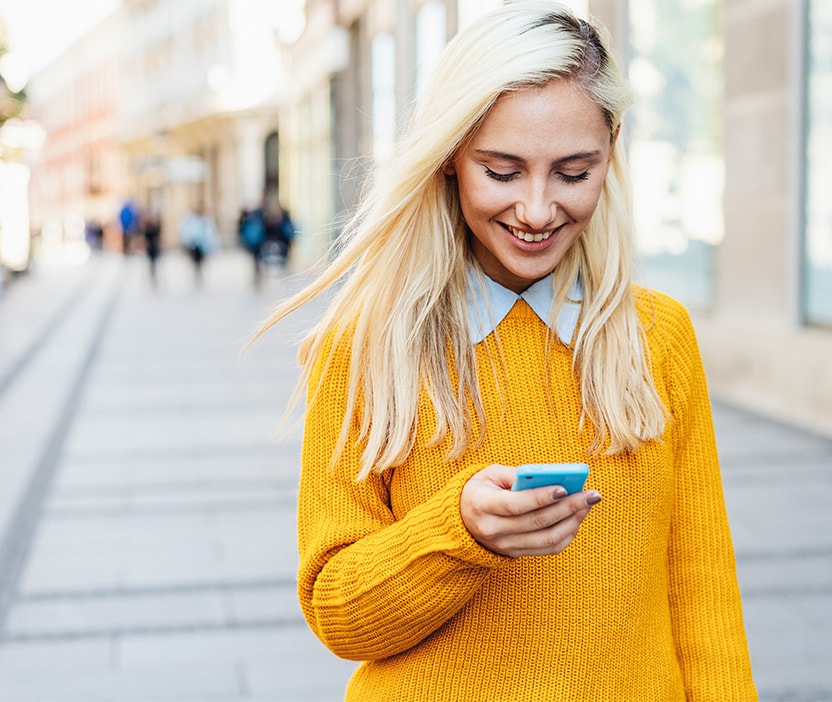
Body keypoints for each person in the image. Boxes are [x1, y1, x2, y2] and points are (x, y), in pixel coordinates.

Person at [251, 3, 757, 700]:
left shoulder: (658, 335)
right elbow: (340, 615)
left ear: (611, 151)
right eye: (503, 170)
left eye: (574, 173)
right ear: (451, 157)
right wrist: (458, 533)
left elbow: (705, 600)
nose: (538, 209)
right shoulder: (365, 345)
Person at [179, 204, 219, 286]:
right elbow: (185, 232)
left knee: (199, 262)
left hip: (201, 245)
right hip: (194, 245)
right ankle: (197, 276)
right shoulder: (191, 220)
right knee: (195, 262)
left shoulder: (205, 220)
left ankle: (198, 276)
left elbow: (210, 234)